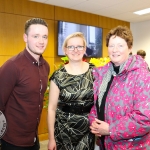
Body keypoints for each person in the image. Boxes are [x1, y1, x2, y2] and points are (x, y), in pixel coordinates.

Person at [88, 26, 150, 150]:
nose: (115, 50)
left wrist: (111, 129)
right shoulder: (103, 74)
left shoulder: (141, 75)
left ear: (130, 47)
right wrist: (94, 122)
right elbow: (98, 104)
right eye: (111, 46)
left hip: (130, 146)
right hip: (105, 144)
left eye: (120, 45)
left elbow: (145, 118)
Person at [0, 18, 50, 150]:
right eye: (36, 36)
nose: (41, 41)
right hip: (12, 141)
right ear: (25, 37)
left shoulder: (46, 66)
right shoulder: (12, 66)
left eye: (45, 36)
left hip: (33, 138)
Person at [47, 32, 95, 150]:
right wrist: (51, 138)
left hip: (88, 129)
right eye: (71, 47)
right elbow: (51, 109)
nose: (75, 50)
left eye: (79, 46)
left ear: (84, 49)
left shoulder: (95, 72)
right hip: (64, 129)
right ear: (65, 50)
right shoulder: (58, 76)